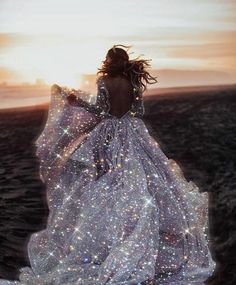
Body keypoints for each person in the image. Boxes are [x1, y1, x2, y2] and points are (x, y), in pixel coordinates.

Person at [0, 45, 216, 284]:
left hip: (109, 133)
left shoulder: (104, 80)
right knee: (142, 177)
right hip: (132, 130)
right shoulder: (132, 82)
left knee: (106, 179)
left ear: (109, 61)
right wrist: (125, 111)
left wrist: (77, 102)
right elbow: (139, 110)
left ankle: (108, 235)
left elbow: (101, 111)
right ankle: (133, 226)